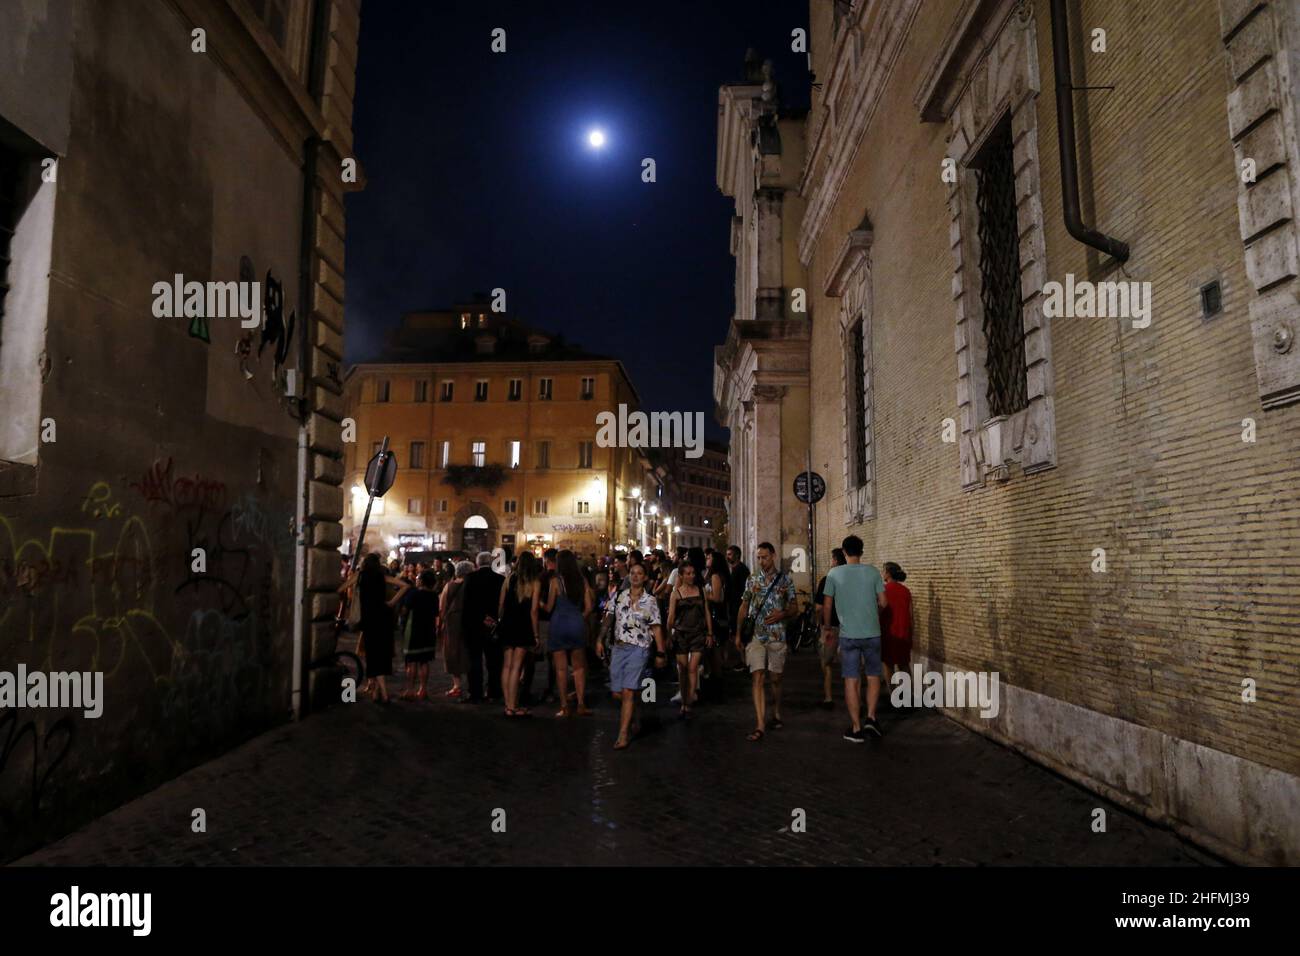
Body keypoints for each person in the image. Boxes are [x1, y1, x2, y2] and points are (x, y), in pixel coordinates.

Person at [596, 562, 668, 750]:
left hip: (639, 648)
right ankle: (635, 710)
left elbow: (656, 627)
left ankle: (623, 734)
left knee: (628, 691)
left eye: (639, 573)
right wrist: (599, 639)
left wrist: (660, 652)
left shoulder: (650, 601)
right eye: (632, 573)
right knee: (617, 692)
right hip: (619, 648)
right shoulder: (619, 596)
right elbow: (608, 617)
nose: (635, 576)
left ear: (645, 577)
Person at [823, 535, 888, 742]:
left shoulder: (834, 573)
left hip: (848, 635)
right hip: (872, 633)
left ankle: (856, 728)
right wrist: (873, 613)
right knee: (873, 675)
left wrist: (827, 628)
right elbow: (884, 603)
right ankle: (870, 717)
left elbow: (827, 605)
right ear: (861, 551)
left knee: (851, 680)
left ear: (843, 552)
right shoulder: (873, 572)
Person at [734, 542, 795, 741]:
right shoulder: (752, 579)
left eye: (765, 557)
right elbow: (744, 606)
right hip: (756, 636)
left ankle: (776, 710)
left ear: (773, 556)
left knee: (775, 678)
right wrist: (737, 634)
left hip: (777, 635)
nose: (761, 561)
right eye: (759, 557)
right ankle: (760, 724)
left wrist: (782, 613)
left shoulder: (785, 580)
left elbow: (795, 607)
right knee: (757, 677)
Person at [338, 552, 407, 704]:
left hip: (369, 619)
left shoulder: (360, 575)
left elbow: (341, 588)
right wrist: (391, 602)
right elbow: (405, 586)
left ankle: (383, 692)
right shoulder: (382, 576)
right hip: (383, 617)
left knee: (372, 654)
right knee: (381, 654)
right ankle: (376, 690)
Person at [537, 549, 594, 717]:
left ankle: (564, 706)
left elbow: (548, 607)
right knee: (579, 668)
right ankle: (581, 704)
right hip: (576, 623)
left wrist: (538, 602)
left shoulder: (555, 581)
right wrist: (579, 617)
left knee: (561, 669)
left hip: (559, 624)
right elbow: (589, 607)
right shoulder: (581, 581)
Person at [497, 551, 540, 717]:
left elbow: (500, 604)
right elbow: (534, 610)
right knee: (517, 666)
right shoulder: (534, 583)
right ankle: (513, 705)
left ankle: (508, 705)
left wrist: (501, 620)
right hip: (523, 626)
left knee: (507, 666)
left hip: (508, 624)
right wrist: (536, 634)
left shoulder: (509, 579)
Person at [667, 562, 712, 718]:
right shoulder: (676, 594)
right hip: (681, 635)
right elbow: (671, 617)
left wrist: (710, 633)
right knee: (683, 669)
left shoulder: (701, 591)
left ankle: (688, 703)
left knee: (693, 668)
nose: (691, 576)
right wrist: (668, 636)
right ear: (681, 575)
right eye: (687, 573)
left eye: (693, 573)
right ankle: (685, 699)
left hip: (698, 634)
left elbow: (706, 611)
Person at [462, 551, 505, 703]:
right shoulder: (500, 579)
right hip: (493, 625)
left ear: (478, 563)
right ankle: (493, 691)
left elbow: (466, 604)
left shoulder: (470, 578)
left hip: (474, 626)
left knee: (474, 660)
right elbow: (502, 603)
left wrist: (479, 617)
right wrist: (492, 619)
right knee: (494, 661)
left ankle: (475, 692)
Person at [521, 548, 558, 707]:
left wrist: (540, 604)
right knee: (553, 659)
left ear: (546, 560)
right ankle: (550, 689)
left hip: (542, 620)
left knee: (531, 658)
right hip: (556, 621)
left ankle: (526, 690)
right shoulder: (560, 578)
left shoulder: (541, 578)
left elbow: (536, 603)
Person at [400, 569, 440, 700]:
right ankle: (423, 690)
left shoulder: (413, 593)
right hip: (428, 630)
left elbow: (405, 610)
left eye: (418, 578)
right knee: (424, 661)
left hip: (414, 630)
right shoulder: (434, 596)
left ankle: (410, 690)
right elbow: (436, 613)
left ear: (421, 581)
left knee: (412, 662)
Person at [814, 548, 846, 710]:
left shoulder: (827, 580)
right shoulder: (850, 580)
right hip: (849, 628)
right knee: (850, 665)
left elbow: (820, 607)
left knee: (826, 663)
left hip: (830, 628)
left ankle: (828, 697)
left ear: (835, 561)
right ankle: (853, 698)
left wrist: (820, 624)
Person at [879, 562, 913, 702]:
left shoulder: (882, 590)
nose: (882, 574)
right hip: (904, 632)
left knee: (888, 665)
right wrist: (912, 635)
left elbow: (878, 611)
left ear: (887, 573)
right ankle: (908, 696)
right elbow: (911, 615)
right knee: (904, 665)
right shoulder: (906, 591)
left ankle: (894, 696)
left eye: (883, 571)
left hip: (888, 632)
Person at [439, 560, 471, 699]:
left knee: (452, 651)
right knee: (467, 651)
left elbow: (442, 606)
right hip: (467, 621)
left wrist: (441, 621)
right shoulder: (471, 586)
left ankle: (457, 685)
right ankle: (470, 683)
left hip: (452, 622)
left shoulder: (449, 586)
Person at [725, 545, 750, 672]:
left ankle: (745, 662)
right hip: (734, 607)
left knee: (740, 636)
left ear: (737, 555)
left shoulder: (741, 570)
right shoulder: (735, 569)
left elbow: (743, 591)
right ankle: (743, 661)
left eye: (730, 554)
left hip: (739, 608)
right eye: (727, 554)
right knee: (736, 635)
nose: (727, 556)